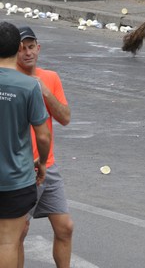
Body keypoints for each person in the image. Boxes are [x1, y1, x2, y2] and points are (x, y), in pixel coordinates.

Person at [16, 26, 73, 268]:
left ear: (38, 48)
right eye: (21, 49)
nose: (27, 53)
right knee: (18, 231)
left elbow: (65, 118)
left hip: (47, 166)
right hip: (21, 169)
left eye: (31, 47)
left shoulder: (50, 78)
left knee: (65, 227)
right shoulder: (9, 81)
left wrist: (45, 91)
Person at [0, 21, 51, 268]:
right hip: (16, 179)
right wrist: (41, 163)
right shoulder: (28, 86)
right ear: (19, 47)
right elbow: (42, 135)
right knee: (8, 242)